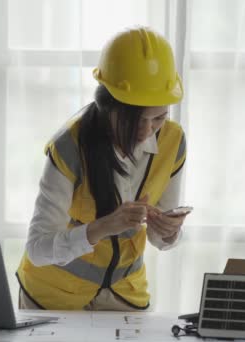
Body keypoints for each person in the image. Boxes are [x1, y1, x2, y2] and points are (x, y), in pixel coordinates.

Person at [16, 26, 189, 311]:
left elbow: (161, 240)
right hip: (52, 299)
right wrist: (104, 226)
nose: (147, 131)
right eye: (135, 120)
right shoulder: (69, 146)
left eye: (158, 118)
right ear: (108, 107)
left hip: (124, 295)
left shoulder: (174, 142)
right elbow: (37, 249)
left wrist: (168, 231)